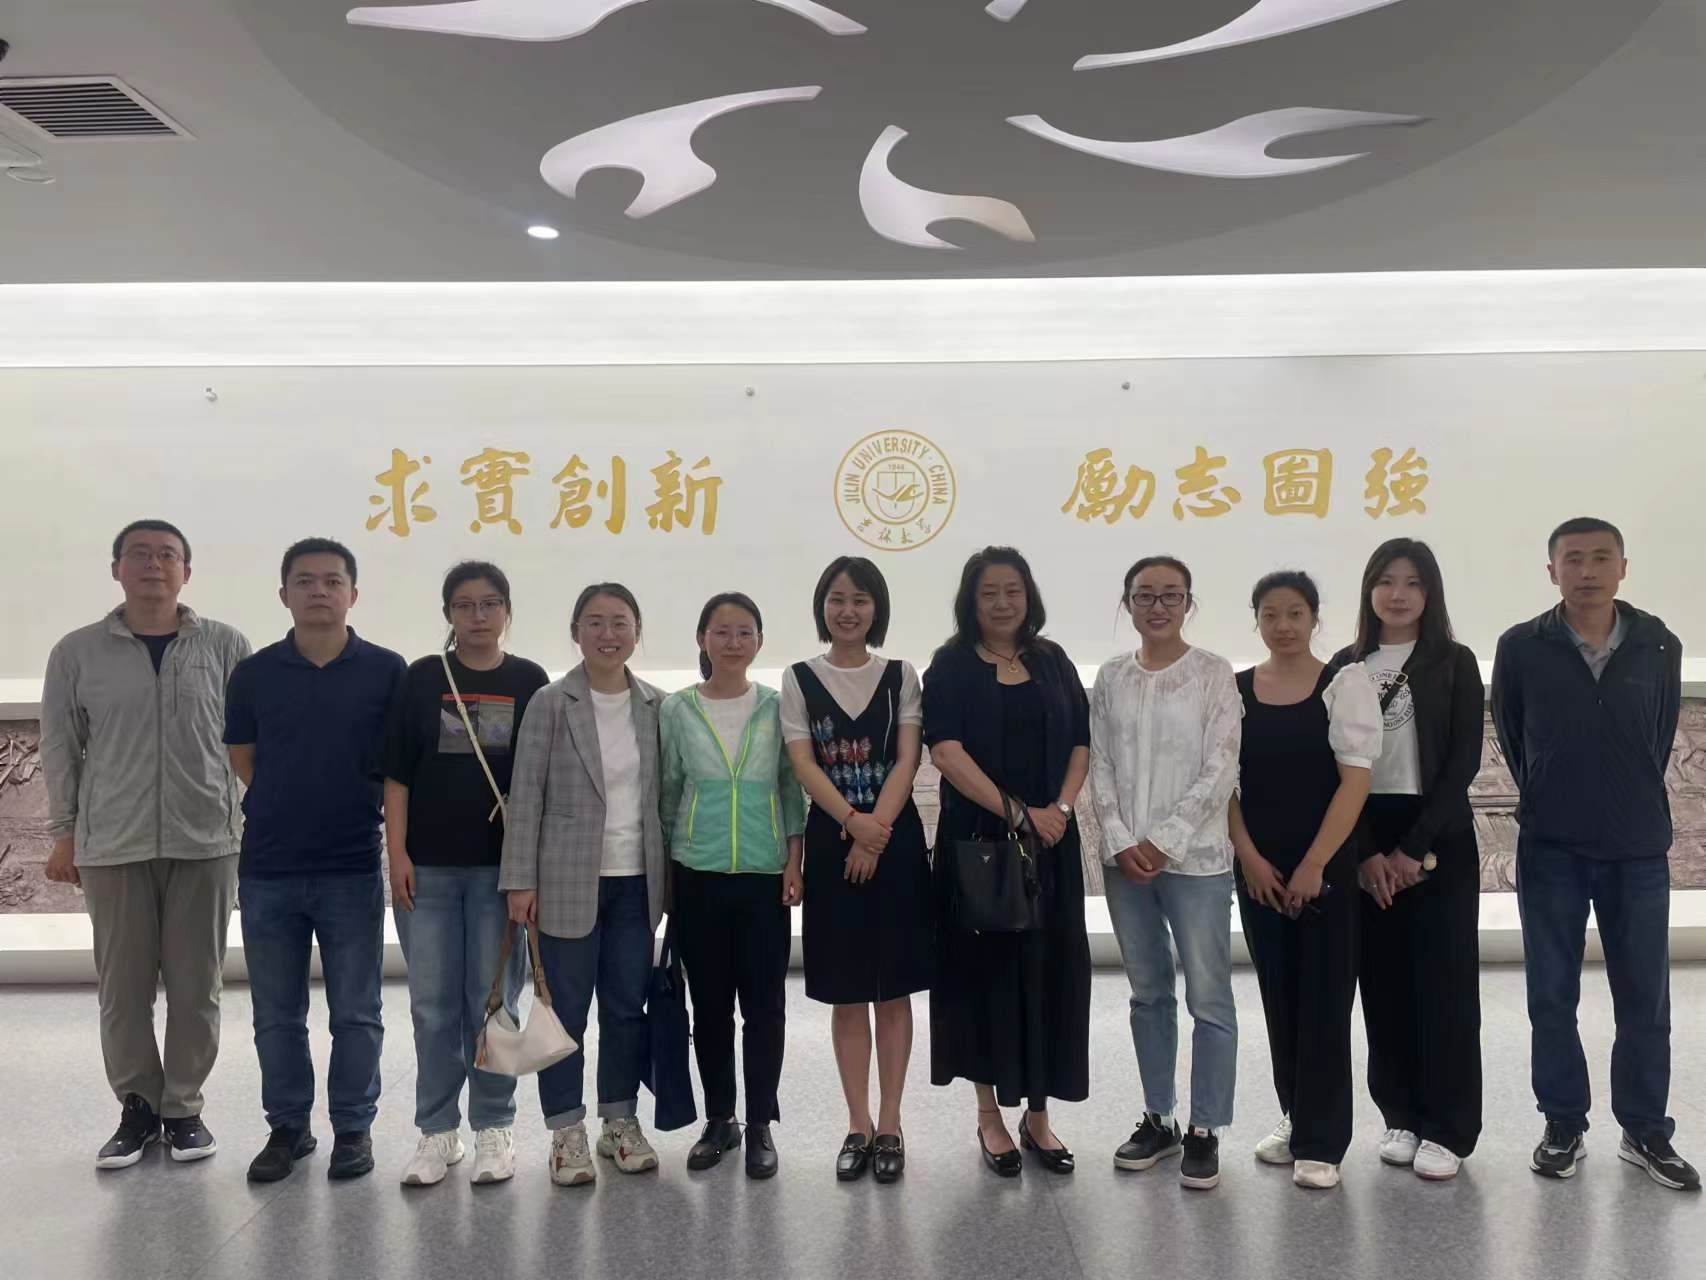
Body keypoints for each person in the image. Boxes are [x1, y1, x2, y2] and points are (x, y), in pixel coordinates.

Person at [1493, 517, 1697, 1190]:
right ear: (1551, 571)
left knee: (1645, 997)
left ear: (1623, 567)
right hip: (1551, 845)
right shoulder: (1522, 646)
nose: (1587, 571)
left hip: (1636, 847)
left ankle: (1645, 1129)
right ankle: (1563, 1123)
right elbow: (1517, 738)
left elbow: (1657, 737)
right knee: (1551, 994)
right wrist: (1553, 794)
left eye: (1601, 558)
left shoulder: (1658, 642)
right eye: (1573, 559)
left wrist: (1620, 796)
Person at [40, 519, 251, 1169]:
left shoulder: (225, 645)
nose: (154, 565)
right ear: (117, 570)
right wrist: (64, 833)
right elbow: (61, 747)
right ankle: (137, 1107)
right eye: (139, 554)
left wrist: (254, 822)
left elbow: (250, 740)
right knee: (123, 990)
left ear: (186, 571)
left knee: (196, 987)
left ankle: (183, 1109)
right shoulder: (76, 652)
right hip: (113, 841)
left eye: (167, 555)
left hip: (206, 839)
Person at [224, 537, 406, 1184]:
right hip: (269, 868)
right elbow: (244, 758)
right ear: (284, 594)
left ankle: (353, 1129)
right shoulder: (254, 674)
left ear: (353, 593)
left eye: (333, 580)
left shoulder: (387, 671)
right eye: (305, 581)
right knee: (276, 1014)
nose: (319, 591)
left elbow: (396, 767)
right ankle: (288, 1128)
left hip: (351, 865)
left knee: (356, 1011)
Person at [923, 546, 1092, 1177]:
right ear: (971, 600)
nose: (1002, 603)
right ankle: (989, 1114)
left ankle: (1039, 1116)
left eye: (1012, 591)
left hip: (1052, 842)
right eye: (989, 592)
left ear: (1029, 596)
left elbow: (1080, 742)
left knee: (1050, 974)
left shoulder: (1053, 660)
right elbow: (946, 753)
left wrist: (1060, 810)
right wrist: (1022, 814)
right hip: (982, 847)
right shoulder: (951, 665)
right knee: (984, 976)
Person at [383, 562, 547, 1187]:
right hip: (427, 868)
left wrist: (529, 873)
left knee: (494, 1001)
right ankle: (436, 1131)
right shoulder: (423, 677)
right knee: (431, 1006)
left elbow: (539, 781)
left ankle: (494, 1127)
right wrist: (397, 855)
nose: (478, 616)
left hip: (499, 872)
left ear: (507, 610)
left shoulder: (529, 680)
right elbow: (397, 776)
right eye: (465, 605)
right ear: (448, 613)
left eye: (490, 604)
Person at [501, 583, 669, 1188]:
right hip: (566, 881)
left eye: (620, 622)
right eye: (594, 622)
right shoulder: (551, 702)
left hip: (636, 882)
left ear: (636, 632)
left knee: (625, 1007)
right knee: (564, 1013)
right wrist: (520, 882)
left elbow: (667, 798)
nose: (608, 634)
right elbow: (526, 795)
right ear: (576, 632)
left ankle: (619, 1121)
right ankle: (565, 1130)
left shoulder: (656, 705)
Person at [1329, 539, 1483, 1181]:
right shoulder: (1345, 664)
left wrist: (1413, 849)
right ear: (1369, 589)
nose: (1398, 594)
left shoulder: (1454, 662)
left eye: (1413, 582)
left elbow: (1463, 761)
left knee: (1444, 984)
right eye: (1386, 580)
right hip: (1364, 829)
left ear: (1430, 593)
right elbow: (1331, 767)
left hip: (1437, 832)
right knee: (1384, 983)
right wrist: (1367, 853)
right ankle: (1400, 1114)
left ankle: (1448, 1127)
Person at [1089, 556, 1240, 1191]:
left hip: (1197, 860)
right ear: (1127, 603)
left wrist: (1165, 840)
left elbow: (1222, 766)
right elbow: (1099, 762)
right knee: (1148, 993)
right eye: (1144, 595)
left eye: (1170, 595)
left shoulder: (1212, 673)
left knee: (1209, 997)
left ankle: (1206, 1128)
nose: (1157, 607)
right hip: (1126, 863)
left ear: (1188, 603)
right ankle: (1160, 1118)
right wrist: (1122, 840)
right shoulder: (1111, 676)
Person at [1230, 570, 1381, 1191]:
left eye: (1295, 613)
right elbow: (1224, 785)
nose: (1283, 625)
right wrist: (1248, 857)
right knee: (1279, 994)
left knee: (1324, 998)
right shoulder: (1236, 690)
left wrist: (1316, 863)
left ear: (1315, 619)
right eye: (1270, 614)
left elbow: (1355, 782)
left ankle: (1323, 1141)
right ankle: (1295, 1114)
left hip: (1326, 866)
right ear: (1257, 621)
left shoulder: (1343, 684)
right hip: (1259, 867)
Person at [782, 557, 931, 1184]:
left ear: (877, 608)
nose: (848, 610)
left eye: (861, 600)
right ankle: (857, 1123)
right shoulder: (798, 677)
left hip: (894, 843)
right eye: (838, 599)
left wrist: (875, 834)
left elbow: (907, 760)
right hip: (832, 840)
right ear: (822, 606)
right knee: (847, 993)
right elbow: (804, 764)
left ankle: (891, 1122)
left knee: (893, 989)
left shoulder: (901, 676)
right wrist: (852, 822)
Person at [660, 592, 806, 1179]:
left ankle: (761, 1121)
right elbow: (668, 794)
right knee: (711, 1008)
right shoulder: (677, 709)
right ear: (702, 639)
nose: (733, 642)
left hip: (765, 877)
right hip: (697, 875)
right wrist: (666, 878)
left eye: (744, 632)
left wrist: (794, 860)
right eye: (721, 632)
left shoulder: (776, 706)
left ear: (759, 641)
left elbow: (791, 789)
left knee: (765, 1008)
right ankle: (720, 1119)